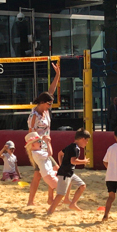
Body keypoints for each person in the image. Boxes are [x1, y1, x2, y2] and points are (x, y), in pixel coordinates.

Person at [27, 62, 61, 205]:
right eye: (49, 104)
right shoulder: (34, 115)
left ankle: (49, 198)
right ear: (42, 102)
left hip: (45, 147)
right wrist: (41, 142)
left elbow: (51, 91)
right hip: (37, 148)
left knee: (50, 171)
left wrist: (57, 74)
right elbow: (30, 135)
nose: (50, 106)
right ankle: (33, 201)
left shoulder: (45, 110)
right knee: (39, 175)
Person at [47, 128, 91, 214]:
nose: (87, 143)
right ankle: (50, 211)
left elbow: (60, 153)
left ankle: (73, 204)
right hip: (65, 174)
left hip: (69, 172)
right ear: (82, 139)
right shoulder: (75, 148)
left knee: (82, 186)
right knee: (60, 194)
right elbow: (73, 161)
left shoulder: (70, 146)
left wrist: (61, 165)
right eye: (87, 141)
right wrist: (84, 161)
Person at [25, 133, 58, 203]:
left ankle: (50, 198)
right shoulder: (36, 151)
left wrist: (44, 141)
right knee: (38, 176)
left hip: (42, 149)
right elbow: (49, 153)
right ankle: (31, 201)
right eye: (38, 141)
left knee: (55, 170)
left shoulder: (38, 146)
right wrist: (46, 142)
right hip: (40, 150)